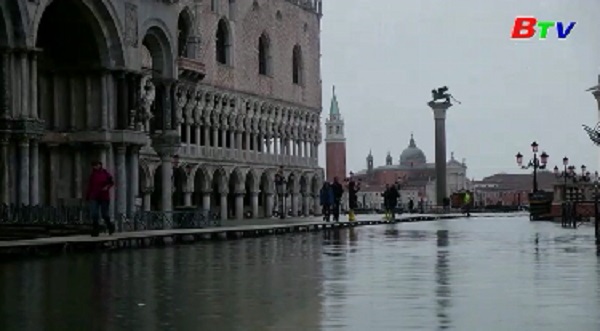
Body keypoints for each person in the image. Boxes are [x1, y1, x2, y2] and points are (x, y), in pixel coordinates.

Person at [86, 161, 115, 237]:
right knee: (94, 214)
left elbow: (111, 182)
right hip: (94, 196)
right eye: (94, 166)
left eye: (96, 165)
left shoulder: (106, 174)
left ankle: (110, 226)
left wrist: (107, 187)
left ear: (100, 165)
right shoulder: (92, 175)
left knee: (104, 214)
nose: (95, 167)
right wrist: (88, 195)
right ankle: (95, 230)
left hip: (104, 196)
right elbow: (90, 186)